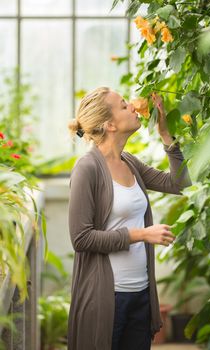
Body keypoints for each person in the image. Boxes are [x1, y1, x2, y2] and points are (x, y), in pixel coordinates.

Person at [67, 86, 192, 350]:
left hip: (141, 295)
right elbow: (81, 238)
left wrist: (166, 135)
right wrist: (141, 234)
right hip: (107, 299)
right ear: (110, 124)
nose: (133, 107)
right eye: (124, 105)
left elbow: (179, 183)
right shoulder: (87, 168)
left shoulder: (129, 162)